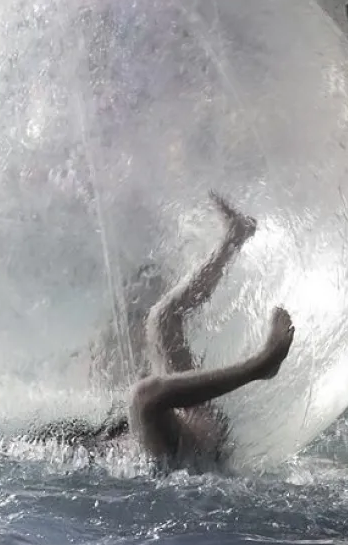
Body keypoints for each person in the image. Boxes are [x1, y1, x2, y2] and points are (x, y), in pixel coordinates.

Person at [29, 192, 295, 470]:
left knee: (162, 320)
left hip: (186, 430)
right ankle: (261, 366)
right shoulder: (93, 460)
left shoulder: (91, 440)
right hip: (177, 455)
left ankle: (235, 237)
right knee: (143, 398)